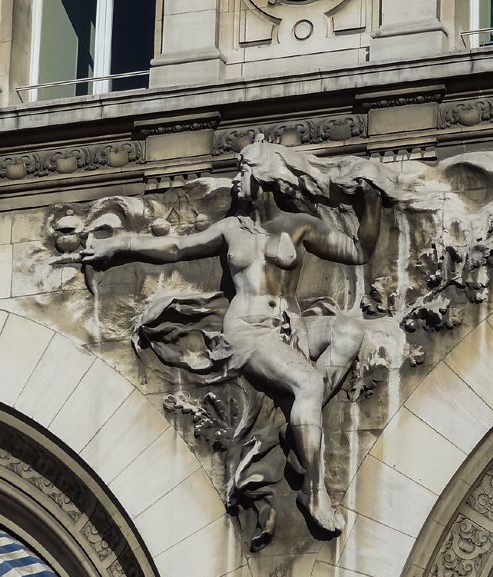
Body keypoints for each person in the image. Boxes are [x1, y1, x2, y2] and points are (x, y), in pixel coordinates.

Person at [80, 137, 382, 535]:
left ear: (265, 177)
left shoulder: (297, 226)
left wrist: (372, 202)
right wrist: (123, 244)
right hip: (250, 332)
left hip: (292, 328)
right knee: (308, 383)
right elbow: (175, 248)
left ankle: (300, 426)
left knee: (349, 330)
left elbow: (359, 250)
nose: (237, 180)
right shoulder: (230, 230)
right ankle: (313, 491)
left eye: (244, 171)